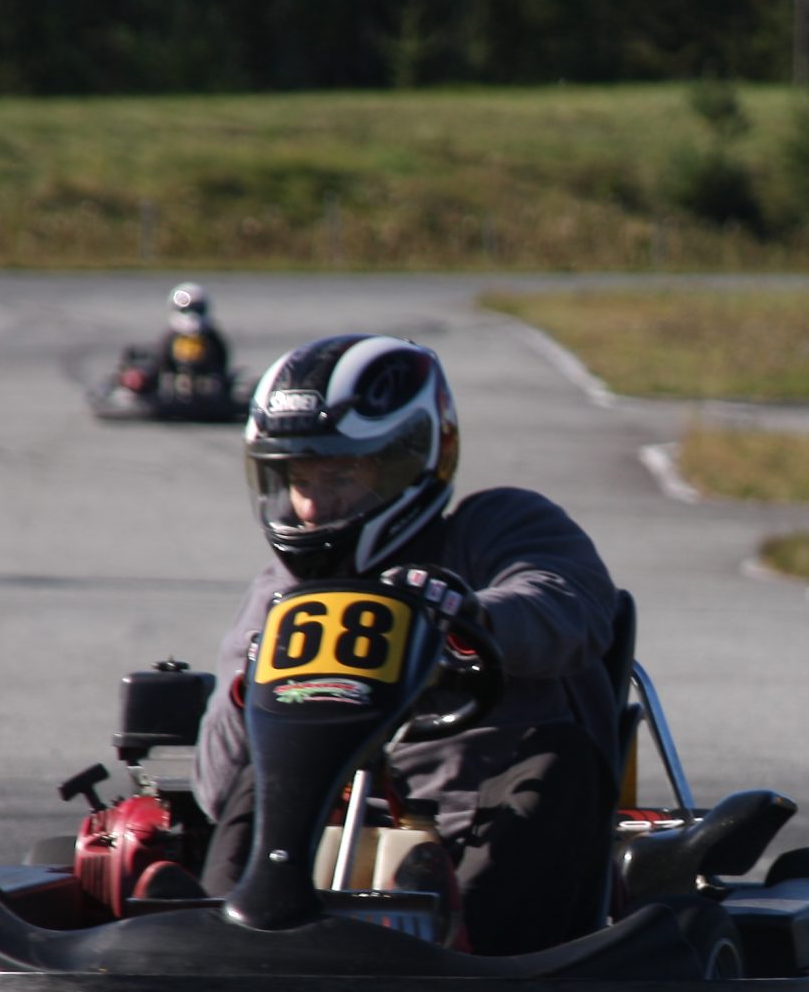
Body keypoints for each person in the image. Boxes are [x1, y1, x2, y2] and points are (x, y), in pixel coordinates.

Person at [190, 334, 623, 953]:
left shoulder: (494, 529)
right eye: (297, 478)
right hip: (313, 834)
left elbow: (570, 605)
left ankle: (466, 961)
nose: (311, 506)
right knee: (258, 773)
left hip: (474, 826)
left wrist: (469, 615)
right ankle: (220, 947)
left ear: (407, 460)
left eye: (339, 475)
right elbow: (214, 791)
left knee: (561, 761)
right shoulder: (278, 595)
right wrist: (255, 691)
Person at [153, 282, 231, 388]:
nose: (192, 315)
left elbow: (222, 363)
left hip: (208, 388)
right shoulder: (169, 338)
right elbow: (161, 362)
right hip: (173, 388)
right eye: (187, 310)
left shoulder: (212, 337)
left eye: (197, 309)